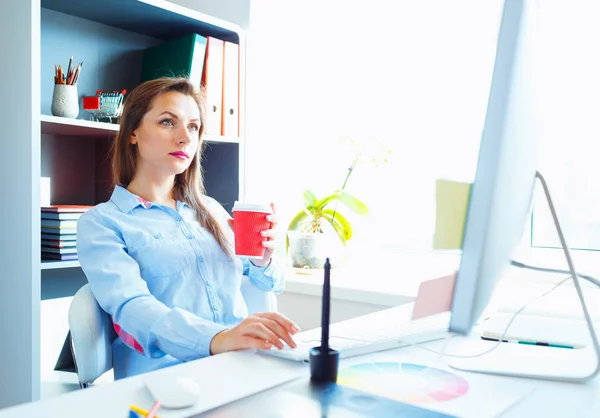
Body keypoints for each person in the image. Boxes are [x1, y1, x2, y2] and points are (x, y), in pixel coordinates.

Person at [77, 77, 299, 379]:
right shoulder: (103, 223)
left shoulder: (211, 211)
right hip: (166, 383)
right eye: (168, 122)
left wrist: (263, 261)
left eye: (194, 127)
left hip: (241, 368)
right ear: (133, 132)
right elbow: (132, 309)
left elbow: (271, 283)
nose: (185, 138)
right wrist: (217, 339)